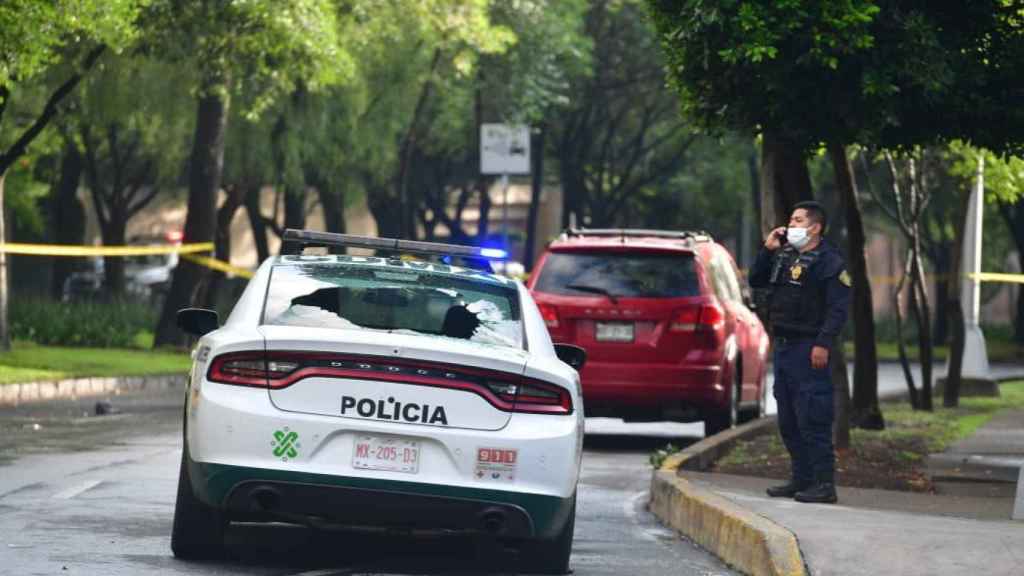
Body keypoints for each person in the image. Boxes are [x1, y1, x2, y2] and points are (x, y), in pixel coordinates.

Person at [749, 201, 851, 504]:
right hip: (784, 346)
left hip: (810, 347)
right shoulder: (784, 255)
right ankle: (801, 478)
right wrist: (767, 250)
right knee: (789, 418)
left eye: (797, 220)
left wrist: (823, 343)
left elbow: (838, 308)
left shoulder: (829, 262)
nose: (790, 226)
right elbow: (756, 279)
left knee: (813, 416)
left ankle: (824, 483)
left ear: (815, 227)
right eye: (790, 220)